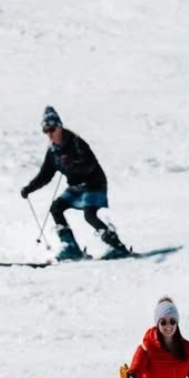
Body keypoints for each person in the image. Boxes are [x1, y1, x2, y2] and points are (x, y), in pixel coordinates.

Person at [20, 106, 128, 261]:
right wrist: (29, 188)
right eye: (46, 131)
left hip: (93, 183)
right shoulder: (53, 152)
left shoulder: (76, 143)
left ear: (59, 127)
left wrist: (73, 163)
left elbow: (90, 165)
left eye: (52, 129)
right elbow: (45, 175)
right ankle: (71, 248)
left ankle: (118, 247)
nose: (49, 134)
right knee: (56, 208)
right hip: (77, 187)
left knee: (89, 215)